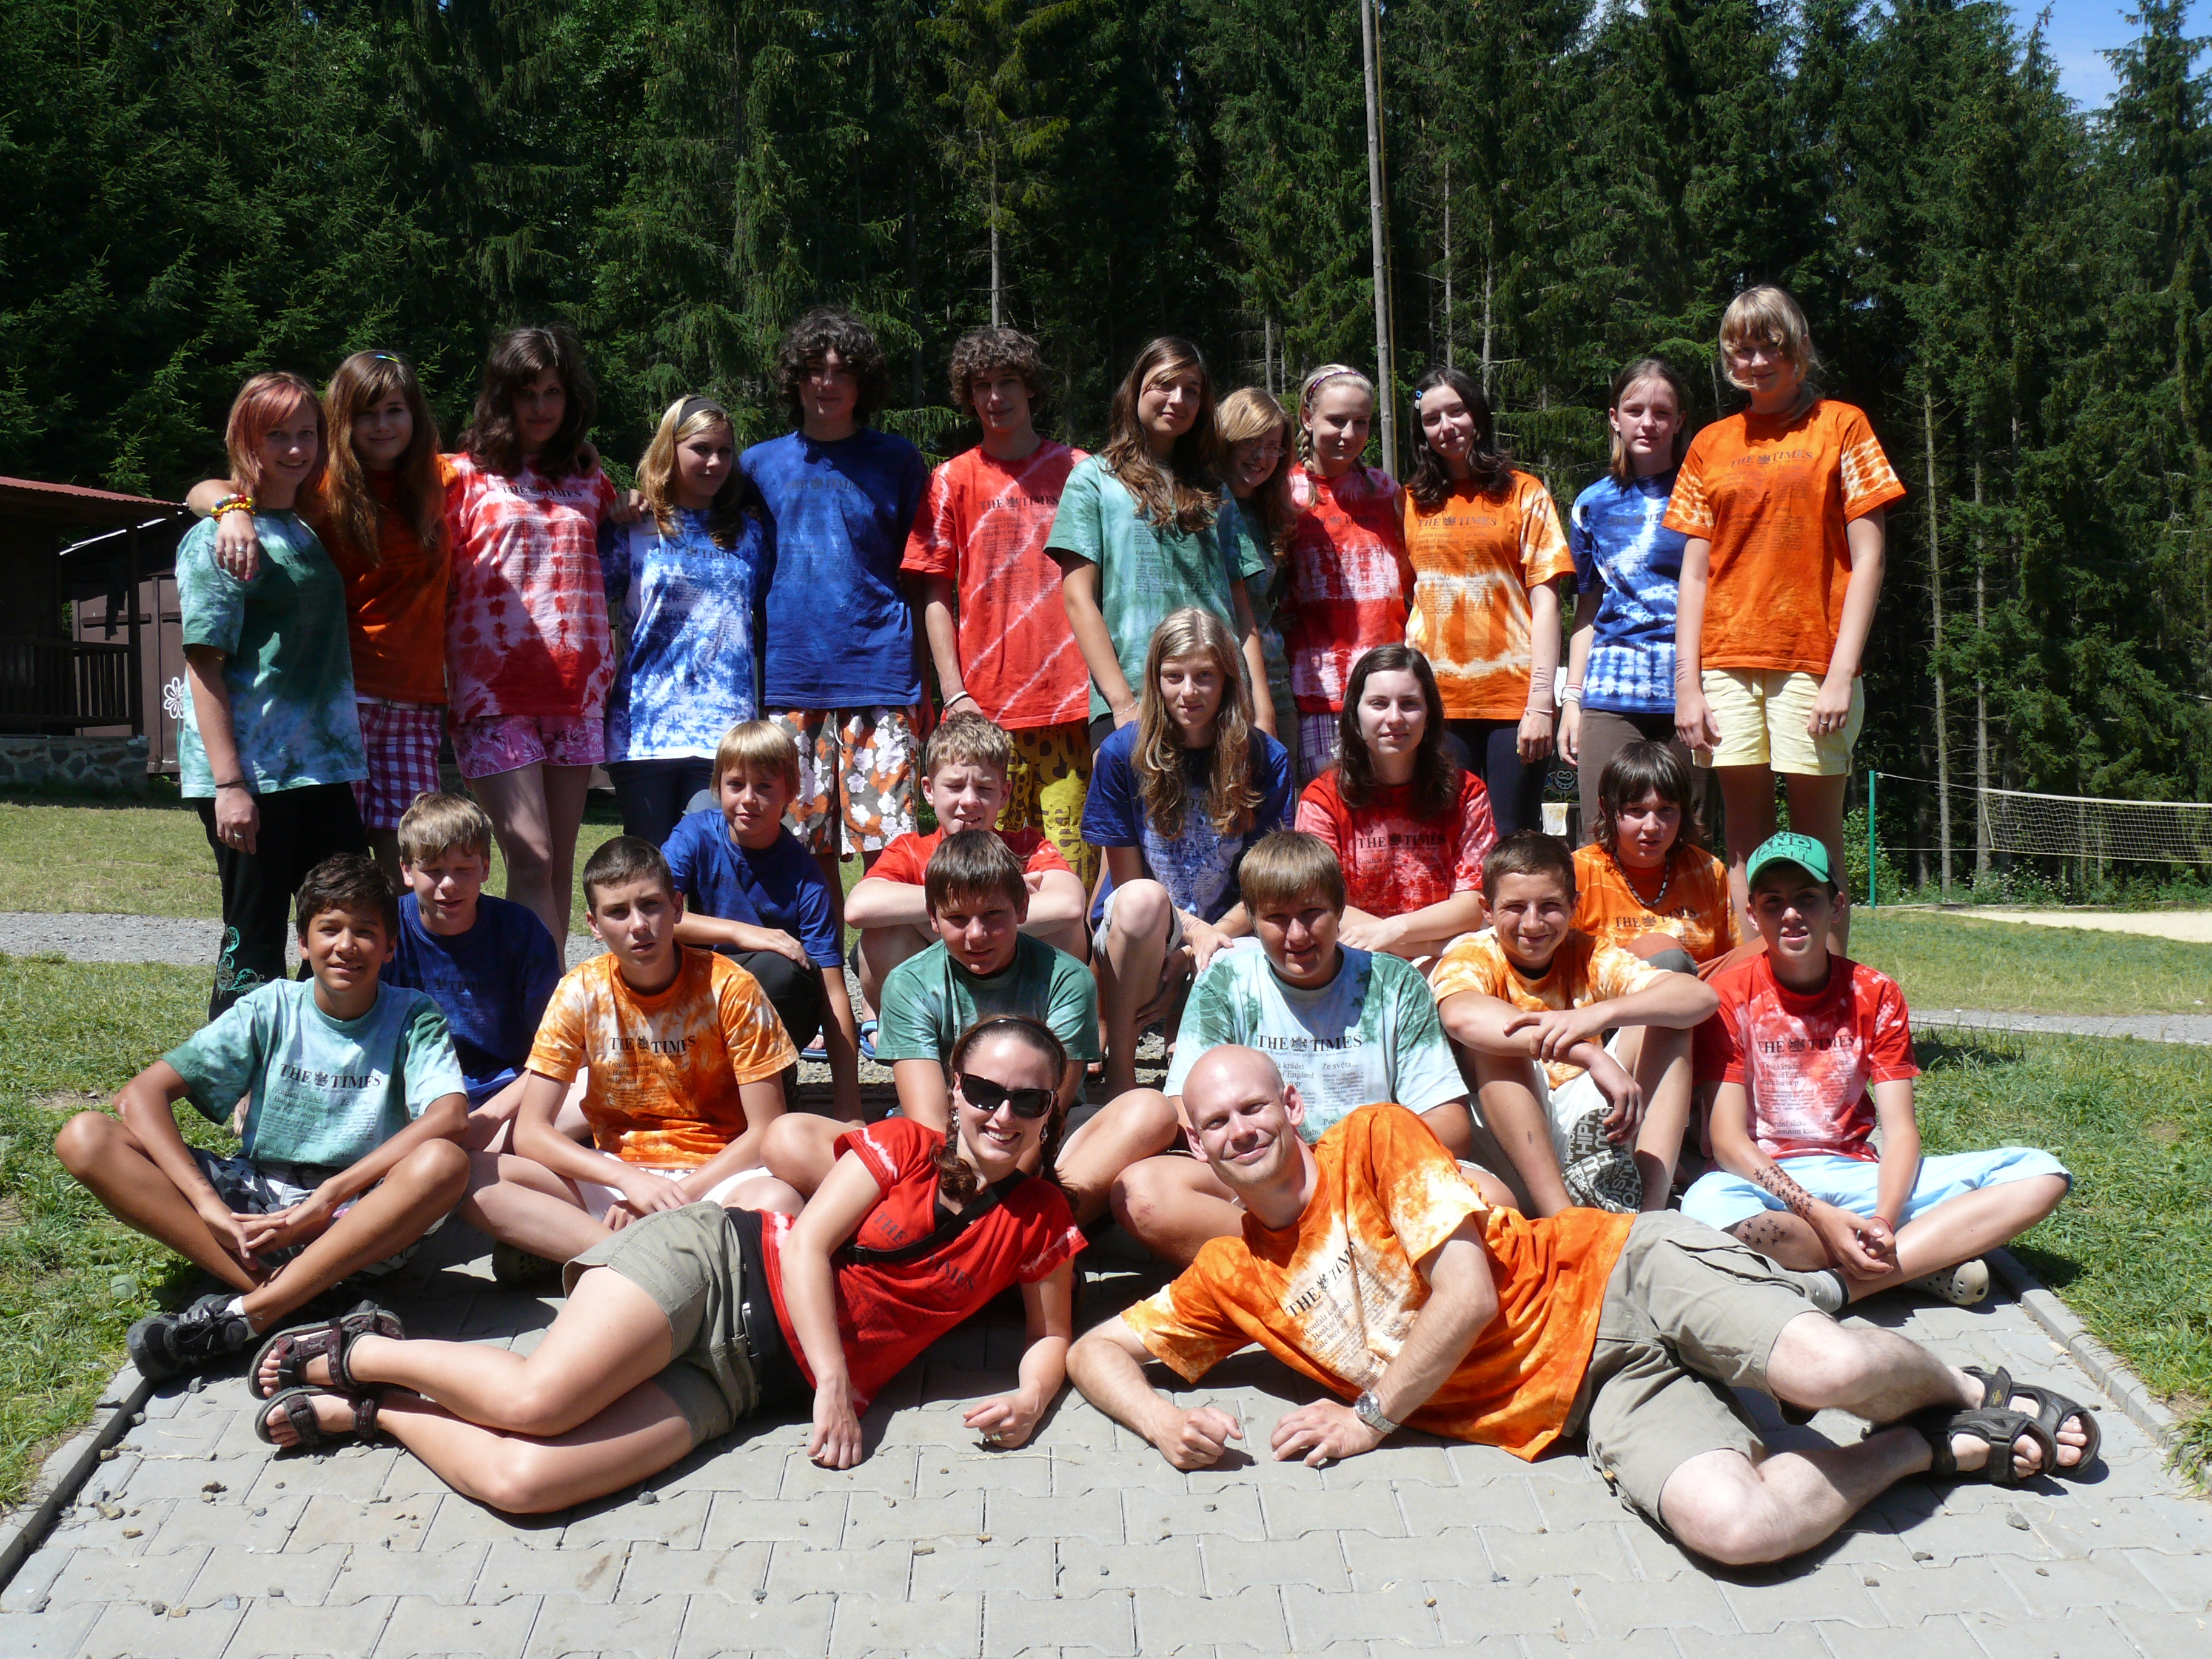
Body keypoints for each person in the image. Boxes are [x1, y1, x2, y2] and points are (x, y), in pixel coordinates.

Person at [1065, 1049, 2097, 1567]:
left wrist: (1370, 1415)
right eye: (1216, 1124)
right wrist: (1158, 1421)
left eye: (1253, 1107)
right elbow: (1093, 1351)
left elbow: (1467, 1293)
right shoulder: (1228, 1278)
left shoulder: (1372, 1139)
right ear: (1194, 1145)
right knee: (1732, 1529)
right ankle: (1923, 1449)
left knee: (1829, 1371)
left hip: (1617, 1271)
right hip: (1587, 1400)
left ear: (1291, 1106)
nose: (1240, 1131)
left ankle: (1968, 1381)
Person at [249, 1018, 1085, 1509]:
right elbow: (807, 1248)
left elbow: (1050, 1336)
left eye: (1028, 1100)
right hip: (717, 1271)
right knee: (535, 1403)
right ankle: (360, 1348)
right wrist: (836, 1382)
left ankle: (375, 1413)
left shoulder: (1042, 1217)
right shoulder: (902, 1144)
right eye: (985, 1091)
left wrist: (1031, 1398)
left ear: (1052, 1109)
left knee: (524, 1483)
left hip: (749, 1383)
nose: (1002, 1115)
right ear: (955, 1090)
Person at [53, 856, 468, 1381]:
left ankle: (248, 1314)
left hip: (357, 1216)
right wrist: (208, 1206)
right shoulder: (271, 1006)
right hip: (254, 1204)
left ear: (390, 947)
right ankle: (305, 1305)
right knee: (85, 1137)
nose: (346, 946)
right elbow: (140, 1096)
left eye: (365, 932)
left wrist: (329, 1197)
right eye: (330, 929)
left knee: (444, 1162)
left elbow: (451, 1115)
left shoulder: (414, 1015)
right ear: (303, 943)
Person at [1683, 834, 2071, 1306]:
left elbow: (1901, 1130)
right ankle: (1919, 1260)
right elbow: (1727, 1142)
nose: (1791, 915)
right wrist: (1819, 1214)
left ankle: (1846, 1283)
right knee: (1708, 1210)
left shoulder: (1876, 992)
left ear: (1837, 905)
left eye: (1808, 898)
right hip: (1764, 1180)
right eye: (1773, 903)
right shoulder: (1729, 996)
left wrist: (1884, 1219)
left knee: (2041, 1173)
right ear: (1752, 914)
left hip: (1858, 1177)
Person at [1094, 832, 1511, 1265]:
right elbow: (1185, 1106)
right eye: (1277, 918)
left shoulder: (1394, 982)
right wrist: (1266, 1167)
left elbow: (1450, 1125)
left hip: (1370, 1176)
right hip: (1260, 1180)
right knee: (1143, 1193)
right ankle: (1336, 1263)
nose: (1297, 935)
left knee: (1497, 1202)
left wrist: (1343, 1165)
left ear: (1340, 910)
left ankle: (1301, 1265)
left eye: (1312, 913)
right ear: (1253, 919)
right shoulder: (1227, 981)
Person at [1669, 287, 1906, 945]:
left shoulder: (1843, 426)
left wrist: (1841, 673)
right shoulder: (1710, 444)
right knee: (1745, 847)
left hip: (1812, 662)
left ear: (1798, 349)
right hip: (1725, 663)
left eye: (1769, 346)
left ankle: (1827, 996)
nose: (1755, 361)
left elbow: (1870, 558)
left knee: (1816, 847)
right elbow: (1694, 573)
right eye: (1741, 349)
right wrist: (1687, 684)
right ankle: (1757, 992)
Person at [459, 837, 793, 1278]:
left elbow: (766, 1129)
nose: (639, 925)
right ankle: (665, 1266)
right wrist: (628, 1181)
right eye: (617, 912)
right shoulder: (581, 991)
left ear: (677, 908)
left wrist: (671, 1199)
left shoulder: (731, 987)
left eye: (651, 905)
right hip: (616, 1177)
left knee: (779, 1203)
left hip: (715, 1174)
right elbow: (532, 1133)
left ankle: (597, 1256)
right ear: (594, 925)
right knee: (473, 1176)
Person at [184, 351, 454, 886]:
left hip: (415, 700)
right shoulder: (318, 487)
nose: (382, 426)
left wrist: (585, 460)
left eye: (395, 410)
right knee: (337, 878)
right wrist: (230, 510)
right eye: (365, 414)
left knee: (412, 866)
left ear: (416, 416)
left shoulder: (441, 478)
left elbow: (514, 461)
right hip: (340, 704)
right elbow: (205, 489)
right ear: (342, 423)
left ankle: (398, 947)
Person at [176, 371, 370, 1016]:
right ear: (245, 439)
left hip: (319, 767)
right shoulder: (216, 538)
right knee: (254, 932)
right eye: (277, 435)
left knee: (341, 919)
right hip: (254, 772)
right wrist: (229, 785)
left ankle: (317, 1056)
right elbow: (204, 667)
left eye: (307, 433)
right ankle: (238, 1066)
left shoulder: (302, 526)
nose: (295, 448)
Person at [766, 832, 1101, 1204]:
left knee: (1142, 1114)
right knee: (787, 1137)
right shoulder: (909, 983)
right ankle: (1017, 1218)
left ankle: (949, 1216)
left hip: (1039, 1134)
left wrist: (1004, 1188)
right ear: (933, 919)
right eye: (957, 918)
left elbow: (1052, 1109)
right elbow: (929, 1120)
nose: (977, 935)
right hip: (945, 1141)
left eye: (993, 915)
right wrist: (964, 1183)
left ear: (1022, 908)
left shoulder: (1067, 978)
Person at [444, 324, 622, 945]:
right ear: (503, 397)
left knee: (560, 864)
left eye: (553, 392)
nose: (541, 407)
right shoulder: (460, 475)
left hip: (576, 692)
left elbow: (624, 521)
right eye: (527, 393)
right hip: (494, 691)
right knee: (532, 856)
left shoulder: (589, 478)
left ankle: (549, 995)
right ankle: (533, 996)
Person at [745, 308, 930, 901]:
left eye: (842, 371)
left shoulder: (897, 460)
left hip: (880, 675)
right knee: (800, 849)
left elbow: (922, 575)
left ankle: (890, 960)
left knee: (892, 849)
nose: (826, 383)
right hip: (791, 681)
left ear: (862, 383)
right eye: (812, 369)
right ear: (794, 379)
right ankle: (822, 962)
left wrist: (926, 681)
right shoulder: (757, 465)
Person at [1432, 831, 1718, 1215]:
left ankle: (1649, 1211)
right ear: (1487, 909)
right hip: (1509, 1138)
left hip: (1584, 1113)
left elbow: (1700, 998)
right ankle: (1562, 1218)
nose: (1532, 923)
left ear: (1573, 906)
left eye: (1550, 906)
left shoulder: (1588, 951)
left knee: (1669, 1020)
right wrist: (1589, 1055)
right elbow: (1460, 1015)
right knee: (1503, 1043)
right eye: (1515, 907)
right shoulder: (1472, 954)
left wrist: (1596, 1015)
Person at [903, 326, 1095, 882]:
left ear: (1031, 386)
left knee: (1072, 873)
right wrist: (953, 691)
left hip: (1072, 707)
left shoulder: (1081, 470)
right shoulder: (950, 480)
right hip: (984, 713)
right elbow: (934, 592)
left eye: (1007, 381)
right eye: (981, 385)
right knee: (984, 875)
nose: (995, 397)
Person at [1082, 608, 1294, 1096]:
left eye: (1204, 677)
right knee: (1142, 903)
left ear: (1228, 681)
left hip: (1230, 928)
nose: (1189, 692)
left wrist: (1202, 943)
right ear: (1155, 680)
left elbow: (1265, 885)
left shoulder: (1265, 758)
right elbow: (1128, 883)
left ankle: (1197, 1052)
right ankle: (1122, 1070)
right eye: (1174, 676)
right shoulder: (1120, 754)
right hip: (1144, 924)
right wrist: (1189, 936)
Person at [1049, 337, 1274, 745]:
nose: (1178, 399)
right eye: (1165, 384)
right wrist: (1122, 704)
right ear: (1136, 389)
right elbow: (1078, 598)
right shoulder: (1094, 479)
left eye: (1192, 390)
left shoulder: (1214, 491)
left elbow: (1241, 612)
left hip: (1219, 701)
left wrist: (1262, 710)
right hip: (1133, 698)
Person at [1401, 366, 1573, 835]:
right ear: (1421, 431)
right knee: (1447, 836)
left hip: (1513, 702)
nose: (1446, 426)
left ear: (1477, 414)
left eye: (1456, 411)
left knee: (1512, 837)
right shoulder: (1411, 502)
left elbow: (1547, 604)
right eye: (1432, 418)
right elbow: (1404, 600)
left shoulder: (1524, 493)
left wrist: (1541, 701)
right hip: (1434, 703)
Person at [844, 712, 1090, 1042]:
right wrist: (983, 902)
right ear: (929, 791)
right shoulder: (912, 850)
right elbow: (858, 908)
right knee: (881, 931)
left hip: (1015, 988)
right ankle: (908, 1036)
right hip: (937, 992)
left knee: (1067, 929)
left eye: (985, 788)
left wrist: (948, 921)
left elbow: (1070, 905)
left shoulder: (1026, 847)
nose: (970, 800)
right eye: (955, 786)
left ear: (1004, 794)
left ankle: (1047, 1039)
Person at [664, 719, 862, 1117]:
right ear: (718, 787)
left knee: (781, 971)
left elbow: (832, 991)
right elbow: (655, 915)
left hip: (768, 1005)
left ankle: (772, 1078)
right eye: (736, 785)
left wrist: (849, 1108)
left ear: (790, 792)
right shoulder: (694, 835)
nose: (749, 799)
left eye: (765, 786)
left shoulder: (806, 876)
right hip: (695, 997)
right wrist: (743, 933)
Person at [602, 395, 770, 848]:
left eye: (724, 451)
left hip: (725, 734)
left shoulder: (750, 535)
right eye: (701, 449)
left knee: (714, 867)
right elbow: (583, 610)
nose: (714, 462)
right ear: (669, 449)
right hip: (644, 731)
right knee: (651, 871)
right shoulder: (633, 527)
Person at [1560, 357, 1695, 836]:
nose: (1648, 423)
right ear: (1615, 418)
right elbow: (1586, 611)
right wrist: (1571, 701)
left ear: (1679, 421)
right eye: (1635, 410)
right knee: (1601, 836)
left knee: (1687, 839)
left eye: (1662, 412)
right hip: (1609, 695)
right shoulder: (1591, 504)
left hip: (1689, 696)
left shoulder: (1704, 495)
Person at [1295, 644, 1495, 966]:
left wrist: (1395, 930)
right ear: (1354, 715)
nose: (1394, 718)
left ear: (1429, 715)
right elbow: (1318, 902)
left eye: (1409, 704)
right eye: (1378, 703)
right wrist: (1425, 944)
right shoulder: (1323, 799)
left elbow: (1474, 903)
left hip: (1444, 960)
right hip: (1359, 957)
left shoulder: (1468, 793)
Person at [384, 791, 563, 1151]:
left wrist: (491, 1116)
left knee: (589, 1084)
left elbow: (559, 1049)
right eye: (433, 870)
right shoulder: (386, 928)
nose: (448, 885)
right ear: (406, 870)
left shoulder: (521, 931)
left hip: (507, 1094)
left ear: (485, 867)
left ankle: (461, 1160)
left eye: (463, 870)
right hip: (413, 1098)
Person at [1276, 365, 1413, 784]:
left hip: (1387, 688)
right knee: (1330, 808)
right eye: (1336, 420)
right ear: (1307, 418)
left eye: (1361, 422)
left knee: (1389, 812)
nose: (1349, 434)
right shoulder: (1284, 493)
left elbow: (1412, 585)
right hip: (1316, 692)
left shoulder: (1387, 492)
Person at [1572, 740, 1742, 971]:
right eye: (1636, 811)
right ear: (1606, 809)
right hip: (1612, 991)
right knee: (1665, 954)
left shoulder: (1708, 871)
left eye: (1666, 810)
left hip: (1697, 991)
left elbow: (1730, 964)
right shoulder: (1579, 873)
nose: (1652, 826)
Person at [1215, 387, 1298, 779]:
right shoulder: (1201, 506)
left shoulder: (1273, 514)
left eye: (1273, 447)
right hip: (1213, 690)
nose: (1262, 457)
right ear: (1226, 439)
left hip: (1274, 685)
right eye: (1251, 442)